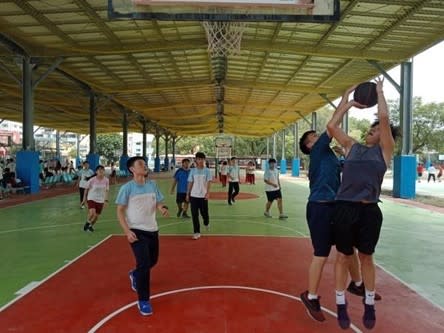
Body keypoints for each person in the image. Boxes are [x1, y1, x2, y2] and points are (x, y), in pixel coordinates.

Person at [298, 85, 381, 322]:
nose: (317, 138)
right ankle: (311, 296)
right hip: (320, 207)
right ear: (309, 147)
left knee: (349, 249)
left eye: (316, 136)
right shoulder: (317, 152)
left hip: (339, 206)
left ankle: (357, 284)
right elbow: (332, 125)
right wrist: (348, 102)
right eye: (312, 138)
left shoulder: (332, 156)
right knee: (322, 254)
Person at [327, 78, 399, 330]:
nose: (373, 128)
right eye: (372, 126)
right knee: (344, 257)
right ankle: (340, 303)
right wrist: (347, 101)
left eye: (377, 128)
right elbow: (332, 126)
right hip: (344, 207)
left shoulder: (384, 151)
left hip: (369, 210)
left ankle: (369, 303)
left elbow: (385, 118)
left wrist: (379, 92)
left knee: (366, 257)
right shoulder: (352, 147)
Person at [116, 156, 169, 316]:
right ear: (132, 169)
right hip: (136, 231)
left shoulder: (152, 185)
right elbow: (119, 210)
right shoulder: (127, 188)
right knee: (145, 264)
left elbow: (158, 201)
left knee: (153, 261)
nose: (144, 166)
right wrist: (127, 231)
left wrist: (161, 208)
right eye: (140, 164)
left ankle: (134, 274)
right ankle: (144, 301)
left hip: (152, 229)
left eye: (145, 164)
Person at [186, 152, 212, 240]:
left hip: (203, 196)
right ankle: (196, 232)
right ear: (196, 160)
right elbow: (190, 182)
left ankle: (206, 222)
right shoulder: (192, 171)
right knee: (194, 214)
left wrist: (208, 193)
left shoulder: (207, 171)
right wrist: (187, 193)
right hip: (193, 195)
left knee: (204, 213)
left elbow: (209, 182)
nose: (200, 161)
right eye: (198, 159)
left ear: (204, 160)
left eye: (202, 159)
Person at [82, 165, 109, 232]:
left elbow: (107, 191)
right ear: (96, 172)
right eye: (99, 170)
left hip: (101, 200)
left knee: (96, 217)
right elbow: (86, 189)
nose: (100, 171)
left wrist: (106, 200)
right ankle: (87, 223)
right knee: (92, 213)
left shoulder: (106, 180)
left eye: (102, 170)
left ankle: (90, 225)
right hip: (92, 198)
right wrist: (84, 199)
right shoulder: (92, 180)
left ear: (104, 171)